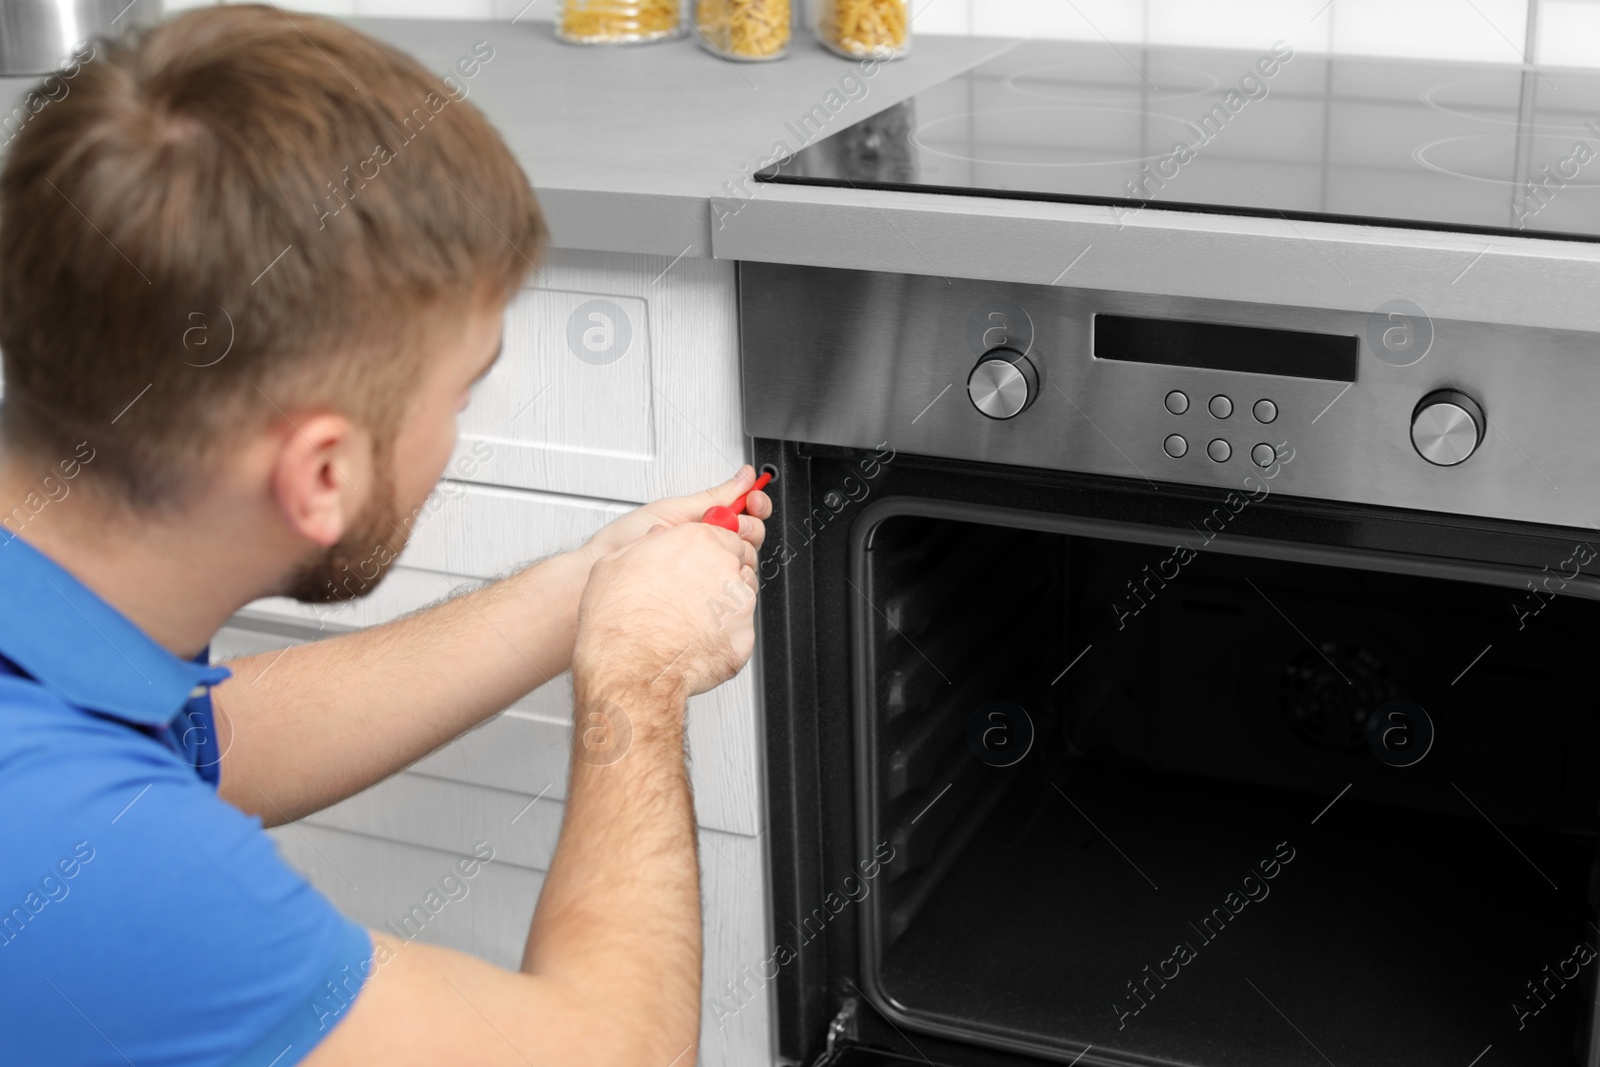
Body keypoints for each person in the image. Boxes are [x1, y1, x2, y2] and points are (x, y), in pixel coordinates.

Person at [0, 6, 770, 1066]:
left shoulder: (55, 650)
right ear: (321, 473)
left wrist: (590, 584)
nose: (457, 432)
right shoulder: (89, 855)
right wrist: (635, 681)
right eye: (460, 391)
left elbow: (212, 741)